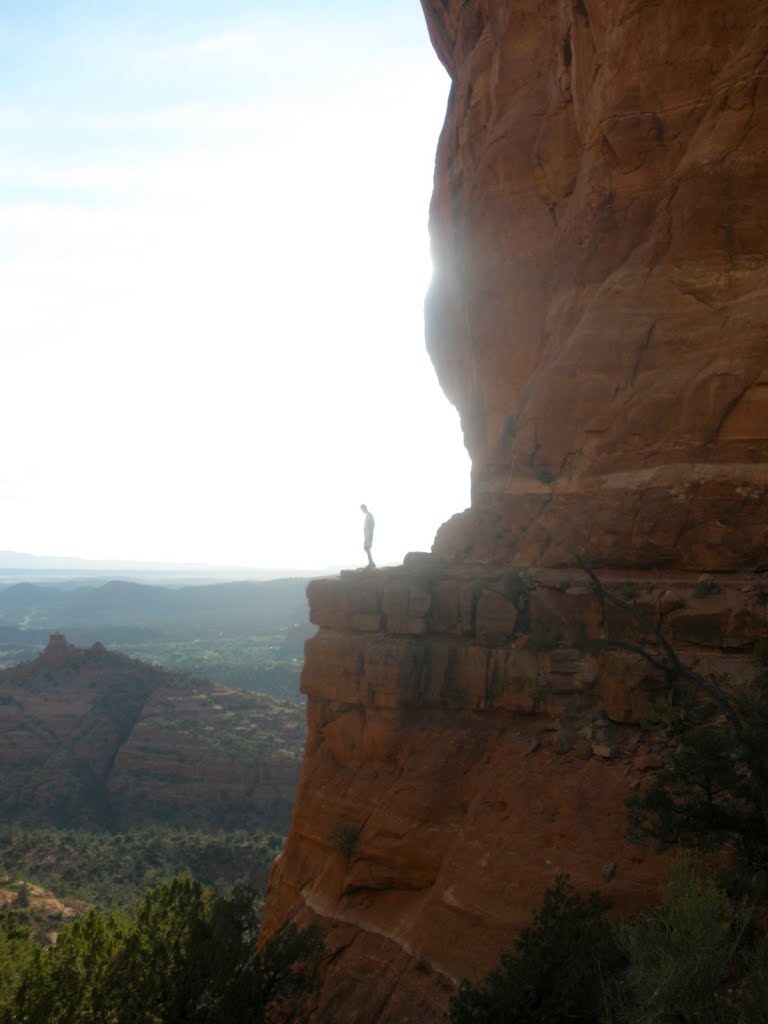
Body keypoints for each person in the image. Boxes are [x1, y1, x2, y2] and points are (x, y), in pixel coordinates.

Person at [360, 504, 375, 568]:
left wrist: (370, 534)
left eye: (363, 509)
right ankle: (371, 562)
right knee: (366, 548)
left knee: (366, 548)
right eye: (362, 509)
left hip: (369, 534)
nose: (362, 510)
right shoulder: (368, 515)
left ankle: (371, 563)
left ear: (365, 508)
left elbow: (371, 524)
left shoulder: (369, 515)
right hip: (367, 535)